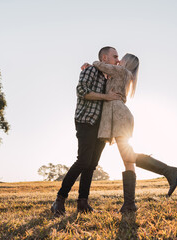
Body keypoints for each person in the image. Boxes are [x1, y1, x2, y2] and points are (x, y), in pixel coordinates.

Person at [92, 54, 177, 213]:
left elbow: (102, 66)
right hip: (119, 117)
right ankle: (130, 203)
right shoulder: (122, 74)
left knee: (128, 157)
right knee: (128, 160)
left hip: (120, 117)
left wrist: (93, 62)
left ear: (127, 62)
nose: (119, 60)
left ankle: (168, 171)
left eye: (122, 58)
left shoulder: (122, 71)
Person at [50, 46, 121, 216]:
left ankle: (83, 202)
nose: (117, 60)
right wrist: (106, 97)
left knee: (91, 165)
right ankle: (59, 200)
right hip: (86, 121)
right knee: (83, 161)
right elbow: (81, 91)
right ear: (104, 58)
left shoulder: (109, 78)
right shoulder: (90, 70)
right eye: (114, 56)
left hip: (102, 127)